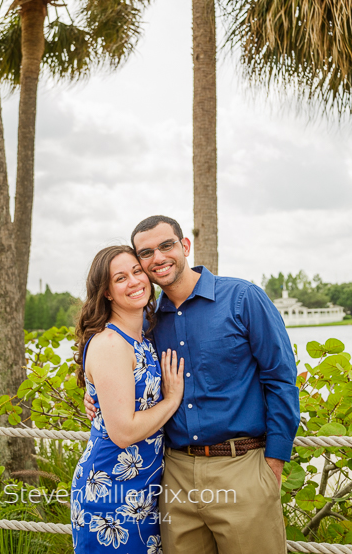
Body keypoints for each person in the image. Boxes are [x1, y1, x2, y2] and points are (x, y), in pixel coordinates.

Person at [85, 215, 300, 554]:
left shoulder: (243, 298)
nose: (158, 258)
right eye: (146, 253)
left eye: (166, 245)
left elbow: (281, 379)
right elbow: (122, 368)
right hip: (174, 474)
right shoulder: (149, 319)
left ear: (185, 246)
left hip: (241, 466)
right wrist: (93, 391)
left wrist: (274, 461)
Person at [72, 244, 185, 554]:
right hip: (110, 490)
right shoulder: (111, 343)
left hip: (144, 489)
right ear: (107, 292)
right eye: (120, 278)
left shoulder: (141, 338)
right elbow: (123, 432)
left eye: (137, 271)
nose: (134, 281)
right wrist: (172, 400)